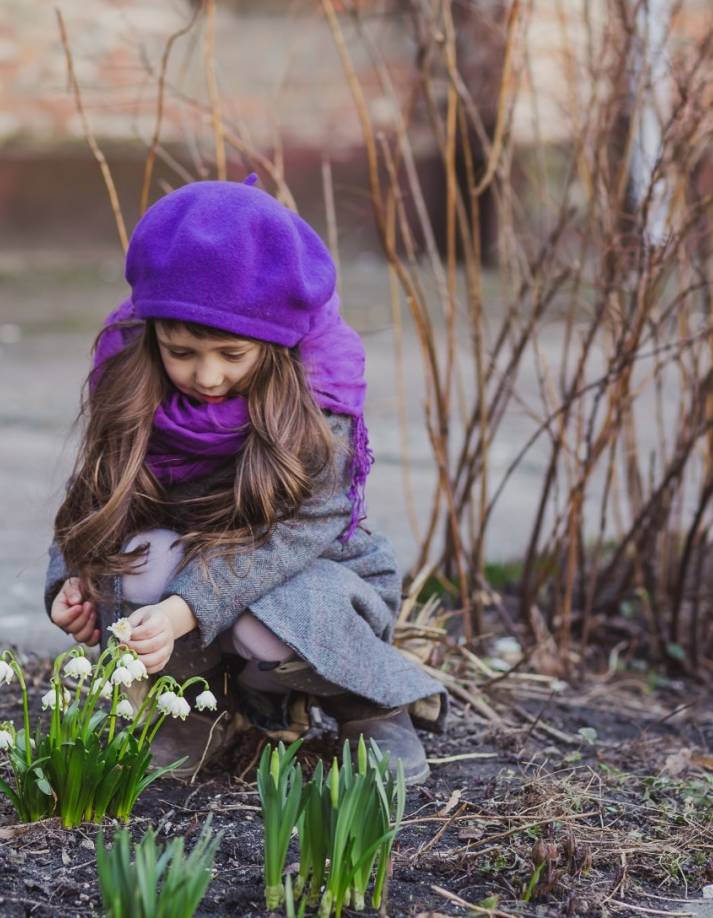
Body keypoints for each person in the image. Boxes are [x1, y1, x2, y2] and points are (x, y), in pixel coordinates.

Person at [43, 175, 445, 783]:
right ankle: (189, 711)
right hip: (193, 573)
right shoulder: (131, 379)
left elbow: (290, 537)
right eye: (181, 352)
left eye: (232, 355)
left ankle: (369, 702)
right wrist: (71, 578)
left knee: (268, 618)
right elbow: (100, 493)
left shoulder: (317, 396)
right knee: (137, 559)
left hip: (314, 577)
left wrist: (184, 609)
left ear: (277, 342)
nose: (206, 376)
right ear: (153, 332)